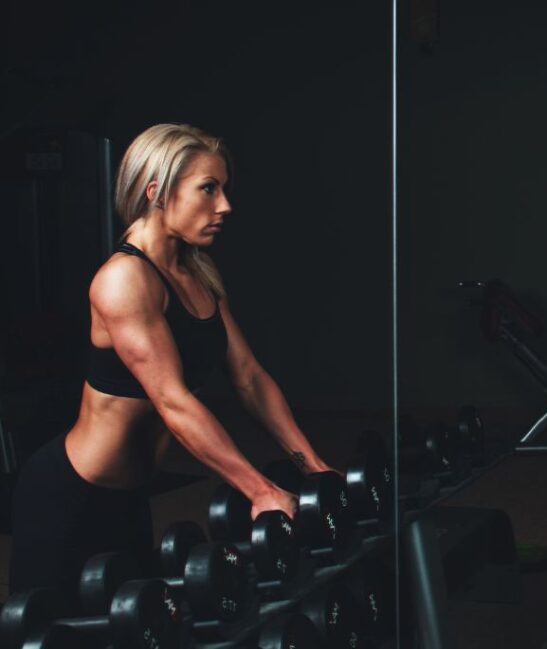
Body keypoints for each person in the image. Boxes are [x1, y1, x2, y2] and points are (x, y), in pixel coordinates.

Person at [9, 123, 336, 595]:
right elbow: (173, 401)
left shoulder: (196, 273)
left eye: (223, 189)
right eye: (208, 188)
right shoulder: (123, 280)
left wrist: (313, 466)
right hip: (71, 497)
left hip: (130, 499)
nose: (225, 205)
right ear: (156, 190)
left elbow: (249, 378)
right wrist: (260, 491)